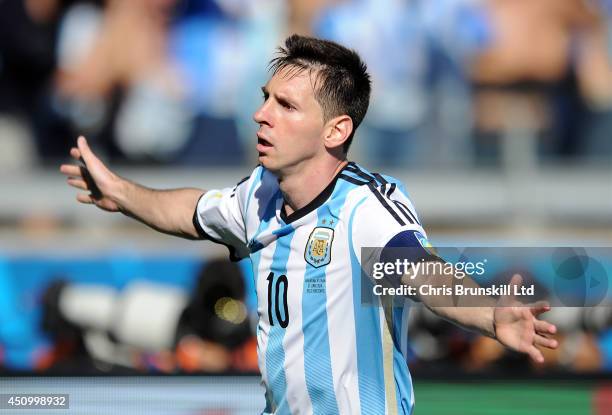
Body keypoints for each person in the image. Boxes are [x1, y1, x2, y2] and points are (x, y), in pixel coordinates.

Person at [60, 34, 558, 414]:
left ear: (336, 129)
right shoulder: (259, 196)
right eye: (265, 98)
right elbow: (189, 213)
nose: (260, 115)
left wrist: (489, 313)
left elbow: (420, 272)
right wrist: (122, 193)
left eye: (285, 105)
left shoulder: (366, 209)